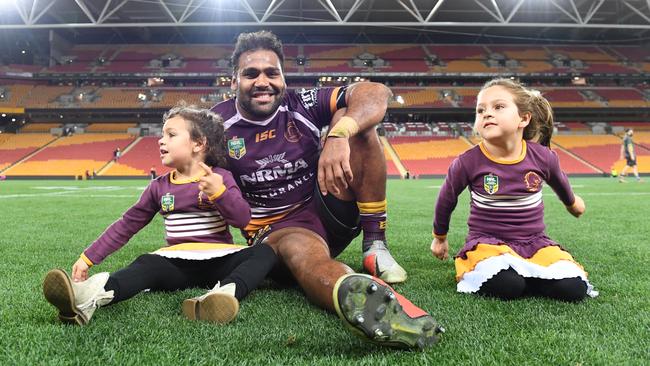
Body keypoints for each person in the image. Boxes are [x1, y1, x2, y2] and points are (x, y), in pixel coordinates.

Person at [211, 30, 442, 349]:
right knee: (307, 259)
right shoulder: (215, 124)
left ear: (283, 77)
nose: (262, 81)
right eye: (251, 74)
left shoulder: (299, 103)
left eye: (272, 73)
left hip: (327, 205)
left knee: (354, 121)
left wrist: (338, 135)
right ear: (233, 81)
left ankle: (375, 245)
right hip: (279, 231)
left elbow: (374, 91)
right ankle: (358, 294)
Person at [43, 105, 277, 325]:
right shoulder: (158, 187)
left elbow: (243, 219)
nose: (161, 140)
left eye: (171, 135)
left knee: (264, 252)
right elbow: (126, 226)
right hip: (176, 265)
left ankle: (222, 295)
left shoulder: (221, 177)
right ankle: (88, 296)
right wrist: (87, 259)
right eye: (162, 135)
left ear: (198, 143)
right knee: (146, 264)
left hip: (220, 259)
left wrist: (220, 193)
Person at [430, 78, 597, 302]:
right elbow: (446, 199)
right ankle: (521, 278)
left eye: (498, 107)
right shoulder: (467, 162)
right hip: (488, 243)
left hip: (534, 242)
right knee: (508, 286)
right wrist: (439, 238)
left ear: (524, 118)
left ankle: (533, 274)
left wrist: (573, 204)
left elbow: (561, 183)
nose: (487, 113)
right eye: (481, 110)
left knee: (573, 289)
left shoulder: (543, 157)